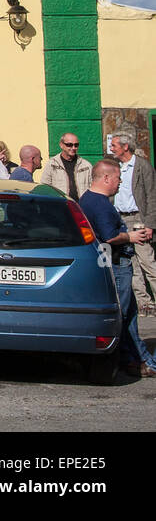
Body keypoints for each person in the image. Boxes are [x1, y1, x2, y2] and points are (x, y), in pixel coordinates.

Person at [77, 157, 156, 378]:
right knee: (121, 316)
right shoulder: (100, 204)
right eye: (118, 179)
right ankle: (138, 360)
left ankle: (135, 360)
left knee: (129, 315)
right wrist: (130, 236)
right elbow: (109, 237)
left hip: (109, 262)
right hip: (116, 263)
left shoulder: (87, 199)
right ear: (106, 178)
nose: (120, 183)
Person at [111, 133, 156, 318]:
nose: (111, 148)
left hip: (138, 219)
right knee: (133, 265)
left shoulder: (142, 166)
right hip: (121, 219)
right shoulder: (117, 167)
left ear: (125, 147)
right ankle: (144, 303)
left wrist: (150, 224)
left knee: (148, 262)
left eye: (114, 145)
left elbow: (152, 196)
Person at [43, 133, 92, 201]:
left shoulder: (86, 165)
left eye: (76, 145)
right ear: (61, 145)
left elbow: (92, 187)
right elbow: (45, 187)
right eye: (69, 145)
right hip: (60, 205)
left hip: (81, 206)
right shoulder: (52, 164)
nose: (73, 148)